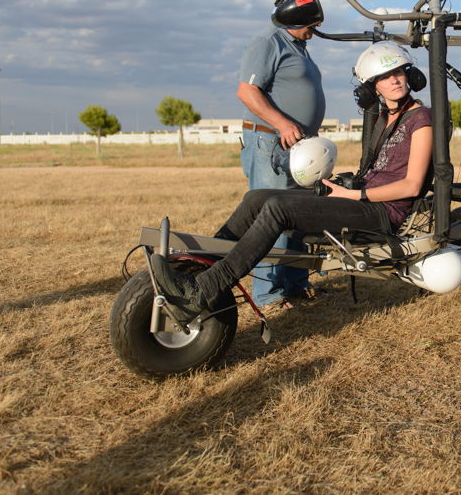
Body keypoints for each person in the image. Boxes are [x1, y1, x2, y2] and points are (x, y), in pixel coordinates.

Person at [153, 42, 433, 321]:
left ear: (411, 75)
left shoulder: (421, 119)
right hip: (361, 198)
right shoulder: (383, 117)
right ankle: (199, 267)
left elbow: (412, 186)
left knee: (278, 208)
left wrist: (353, 196)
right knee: (257, 198)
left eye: (399, 72)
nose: (395, 80)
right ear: (372, 87)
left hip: (382, 212)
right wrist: (344, 188)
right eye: (385, 76)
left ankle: (203, 290)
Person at [233, 0, 327, 311]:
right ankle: (268, 295)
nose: (312, 32)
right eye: (308, 25)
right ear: (293, 17)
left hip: (298, 145)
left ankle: (295, 283)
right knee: (270, 218)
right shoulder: (267, 41)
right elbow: (247, 92)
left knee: (299, 216)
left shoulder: (296, 44)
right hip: (272, 142)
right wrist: (284, 124)